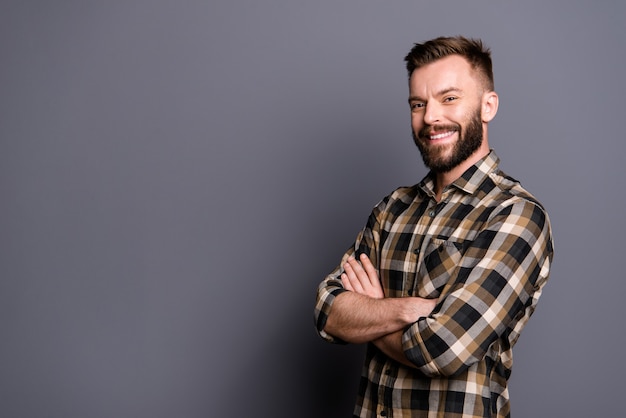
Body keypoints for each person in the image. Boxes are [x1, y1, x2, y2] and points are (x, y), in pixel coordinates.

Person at [313, 36, 554, 418]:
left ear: (488, 106)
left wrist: (371, 311)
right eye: (418, 104)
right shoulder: (392, 209)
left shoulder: (515, 215)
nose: (430, 117)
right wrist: (409, 309)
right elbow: (328, 312)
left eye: (449, 99)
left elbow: (444, 347)